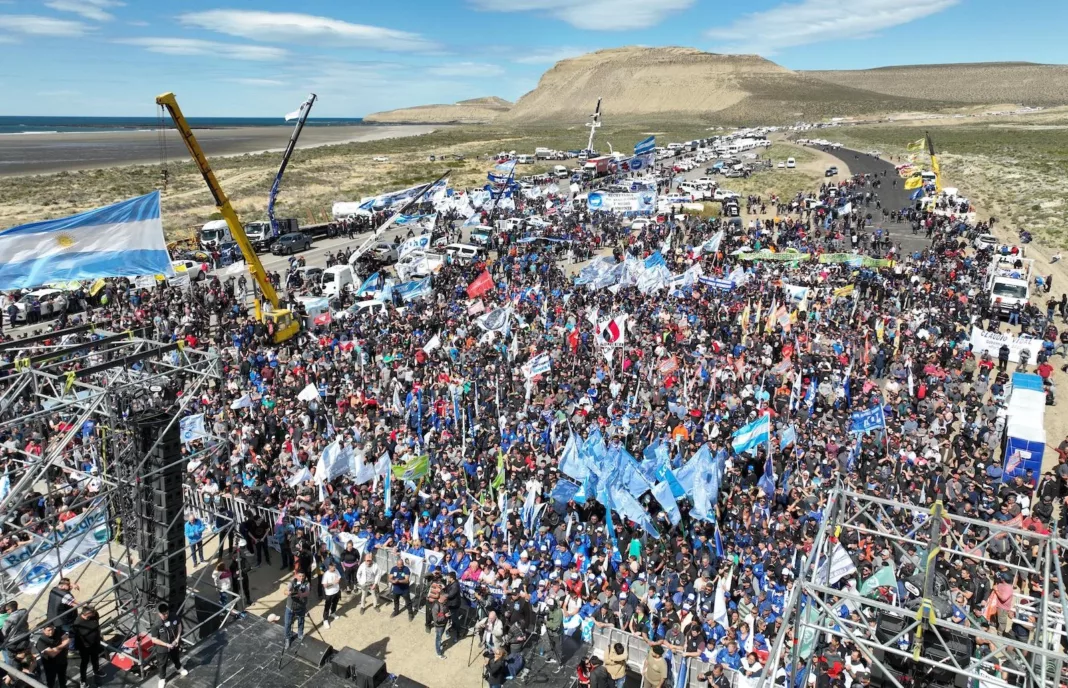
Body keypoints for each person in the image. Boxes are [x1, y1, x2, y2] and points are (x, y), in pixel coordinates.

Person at [150, 603, 187, 688]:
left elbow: (179, 625)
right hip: (162, 648)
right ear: (159, 614)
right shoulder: (156, 624)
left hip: (174, 643)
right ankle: (162, 679)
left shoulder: (173, 617)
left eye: (167, 613)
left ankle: (179, 668)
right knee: (162, 664)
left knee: (176, 657)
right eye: (164, 614)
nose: (166, 615)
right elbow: (154, 639)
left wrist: (177, 639)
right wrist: (166, 644)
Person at [73, 605, 103, 687]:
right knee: (84, 663)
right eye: (92, 612)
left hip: (95, 643)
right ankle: (83, 680)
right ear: (87, 614)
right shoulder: (77, 623)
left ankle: (96, 670)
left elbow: (97, 625)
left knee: (95, 658)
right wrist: (82, 646)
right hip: (85, 647)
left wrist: (98, 637)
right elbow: (76, 636)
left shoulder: (95, 615)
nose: (94, 613)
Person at [283, 569, 311, 648]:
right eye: (300, 576)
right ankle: (287, 638)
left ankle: (300, 634)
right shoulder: (292, 582)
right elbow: (285, 590)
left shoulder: (307, 583)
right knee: (287, 623)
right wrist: (288, 592)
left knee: (301, 621)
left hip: (301, 606)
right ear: (296, 575)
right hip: (290, 607)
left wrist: (301, 594)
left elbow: (307, 592)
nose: (301, 578)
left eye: (303, 576)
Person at [1, 600, 30, 667]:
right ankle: (29, 667)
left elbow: (4, 632)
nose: (7, 612)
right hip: (25, 635)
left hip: (14, 640)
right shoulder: (24, 611)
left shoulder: (9, 619)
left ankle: (16, 670)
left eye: (7, 610)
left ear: (11, 609)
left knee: (12, 657)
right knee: (26, 653)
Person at [321, 561, 342, 628]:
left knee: (335, 603)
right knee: (327, 606)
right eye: (333, 566)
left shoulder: (336, 570)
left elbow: (339, 577)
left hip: (337, 591)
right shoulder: (326, 574)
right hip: (329, 593)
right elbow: (325, 585)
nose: (335, 567)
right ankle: (325, 620)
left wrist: (338, 580)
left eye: (335, 566)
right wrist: (333, 583)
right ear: (329, 567)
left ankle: (333, 613)